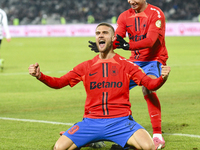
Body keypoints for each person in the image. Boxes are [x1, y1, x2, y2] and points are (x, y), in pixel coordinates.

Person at [29, 23, 170, 150]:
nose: (100, 35)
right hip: (91, 122)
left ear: (114, 38)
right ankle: (90, 139)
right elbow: (59, 83)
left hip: (120, 122)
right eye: (98, 33)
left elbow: (150, 84)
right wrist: (40, 75)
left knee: (149, 147)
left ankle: (118, 145)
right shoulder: (85, 66)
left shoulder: (127, 65)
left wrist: (162, 78)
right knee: (59, 148)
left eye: (105, 33)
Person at [89, 0, 168, 149]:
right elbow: (118, 38)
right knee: (109, 87)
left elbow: (151, 41)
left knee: (148, 88)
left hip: (154, 59)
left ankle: (157, 135)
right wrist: (104, 43)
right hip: (135, 61)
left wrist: (127, 45)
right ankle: (94, 132)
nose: (131, 1)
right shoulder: (124, 16)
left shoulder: (156, 14)